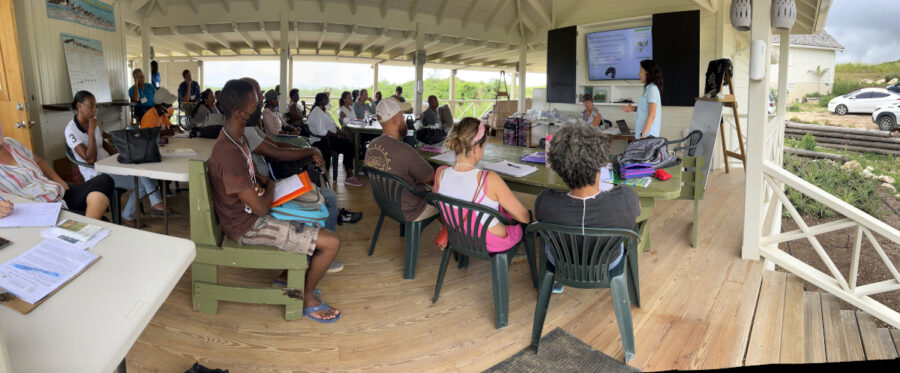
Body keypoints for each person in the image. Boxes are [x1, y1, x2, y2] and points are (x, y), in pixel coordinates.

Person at [208, 79, 342, 323]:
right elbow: (260, 208)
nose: (259, 105)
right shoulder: (228, 153)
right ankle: (307, 296)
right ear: (239, 113)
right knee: (332, 243)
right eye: (254, 103)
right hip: (248, 227)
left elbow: (252, 179)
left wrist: (259, 184)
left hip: (249, 213)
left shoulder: (236, 138)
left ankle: (285, 276)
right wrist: (269, 184)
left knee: (317, 213)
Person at [241, 78, 362, 232]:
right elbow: (276, 152)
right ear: (247, 98)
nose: (262, 98)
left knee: (311, 164)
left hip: (271, 178)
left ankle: (324, 209)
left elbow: (275, 144)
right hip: (271, 184)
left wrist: (304, 149)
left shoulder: (250, 127)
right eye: (259, 94)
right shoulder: (246, 130)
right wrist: (311, 150)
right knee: (325, 189)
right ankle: (328, 217)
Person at [535, 125, 640, 293]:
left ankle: (557, 282)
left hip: (560, 261)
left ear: (559, 168)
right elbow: (636, 212)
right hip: (608, 262)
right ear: (600, 164)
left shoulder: (544, 200)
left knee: (549, 241)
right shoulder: (626, 198)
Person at [65, 90, 172, 227]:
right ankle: (153, 203)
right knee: (142, 181)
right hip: (97, 174)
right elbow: (90, 159)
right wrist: (91, 131)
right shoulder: (71, 130)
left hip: (110, 165)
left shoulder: (92, 122)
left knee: (140, 171)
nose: (94, 109)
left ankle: (130, 215)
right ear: (79, 106)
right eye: (91, 105)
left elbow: (101, 142)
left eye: (95, 105)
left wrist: (118, 154)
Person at [434, 118, 530, 252]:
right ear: (476, 148)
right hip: (489, 241)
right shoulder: (489, 179)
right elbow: (524, 217)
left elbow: (441, 208)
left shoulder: (440, 174)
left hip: (458, 237)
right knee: (522, 221)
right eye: (484, 146)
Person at [0, 123, 113, 220]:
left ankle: (88, 227)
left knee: (104, 180)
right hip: (42, 210)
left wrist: (59, 181)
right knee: (102, 221)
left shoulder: (11, 143)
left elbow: (39, 161)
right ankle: (90, 225)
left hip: (57, 192)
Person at [364, 97, 439, 222]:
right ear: (396, 119)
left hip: (385, 204)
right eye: (402, 115)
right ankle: (453, 235)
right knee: (445, 198)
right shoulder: (404, 150)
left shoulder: (372, 145)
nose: (404, 118)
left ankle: (446, 234)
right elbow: (430, 176)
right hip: (411, 210)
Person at [307, 93, 362, 187]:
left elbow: (333, 124)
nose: (329, 101)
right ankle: (349, 176)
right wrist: (336, 136)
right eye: (327, 99)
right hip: (322, 141)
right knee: (348, 146)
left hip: (330, 137)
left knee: (351, 143)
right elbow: (321, 132)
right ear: (321, 101)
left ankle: (351, 171)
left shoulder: (324, 111)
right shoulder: (317, 112)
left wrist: (339, 131)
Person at [621, 59, 663, 139]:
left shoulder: (652, 89)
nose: (639, 74)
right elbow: (646, 109)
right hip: (643, 135)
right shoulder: (648, 89)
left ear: (647, 73)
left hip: (647, 136)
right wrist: (633, 108)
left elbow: (652, 115)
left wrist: (642, 134)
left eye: (640, 71)